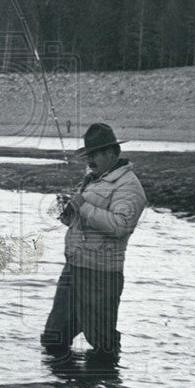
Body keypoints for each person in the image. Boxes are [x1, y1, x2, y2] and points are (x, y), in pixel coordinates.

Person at [41, 122, 147, 363]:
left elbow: (120, 227)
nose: (89, 160)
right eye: (88, 154)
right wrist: (69, 212)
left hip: (101, 276)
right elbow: (82, 219)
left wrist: (84, 206)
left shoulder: (129, 186)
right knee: (53, 339)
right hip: (75, 269)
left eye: (93, 154)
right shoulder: (94, 179)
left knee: (102, 347)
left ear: (110, 153)